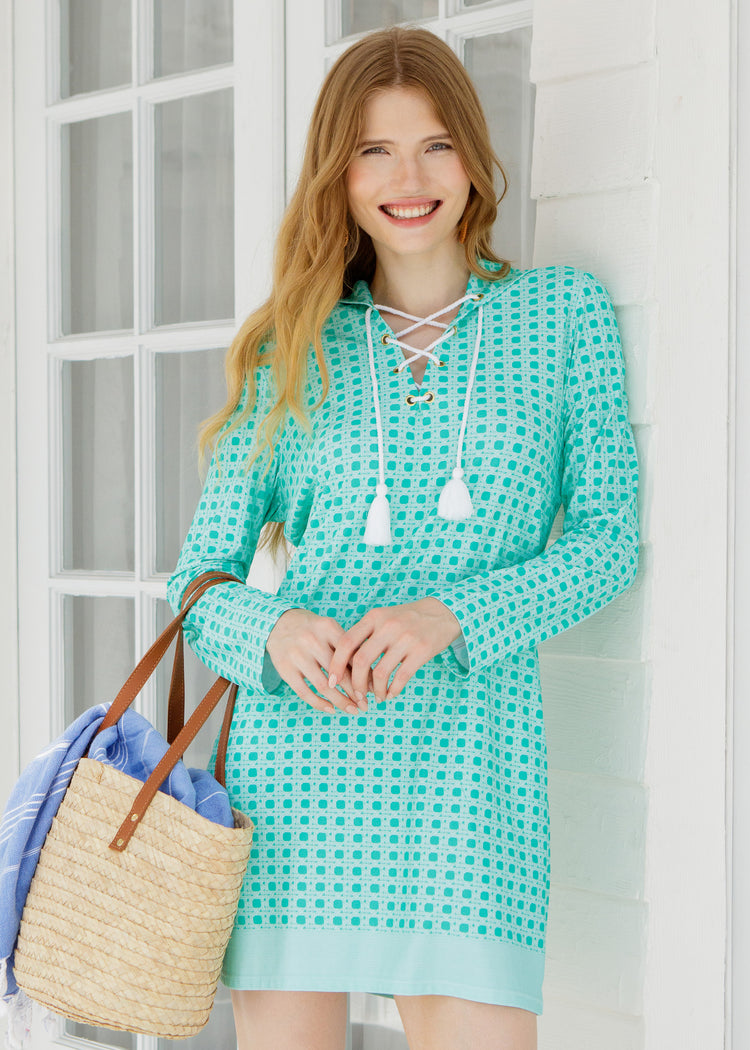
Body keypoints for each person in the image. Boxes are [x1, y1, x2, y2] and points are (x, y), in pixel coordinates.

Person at [167, 24, 640, 1050]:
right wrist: (275, 629)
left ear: (472, 156)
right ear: (338, 178)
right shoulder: (290, 344)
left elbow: (609, 542)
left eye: (433, 143)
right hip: (296, 782)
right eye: (374, 151)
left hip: (474, 780)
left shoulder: (563, 317)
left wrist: (454, 613)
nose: (408, 177)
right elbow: (198, 579)